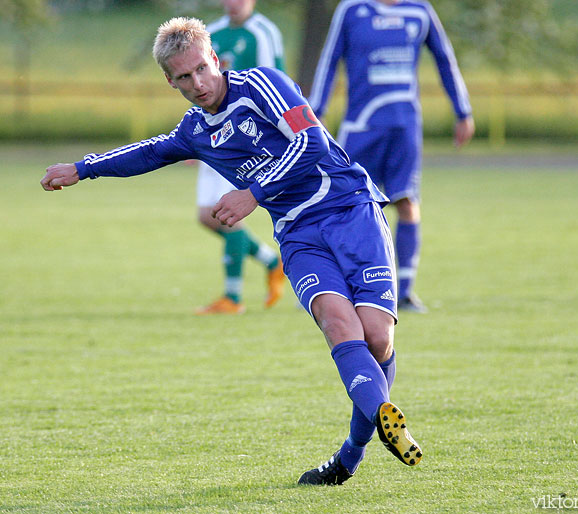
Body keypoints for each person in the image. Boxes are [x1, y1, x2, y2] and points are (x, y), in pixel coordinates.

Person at [41, 17, 421, 486]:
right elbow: (150, 151)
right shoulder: (194, 130)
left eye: (201, 68)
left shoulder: (263, 84)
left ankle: (350, 453)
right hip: (299, 234)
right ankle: (381, 417)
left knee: (378, 337)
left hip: (352, 211)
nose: (197, 83)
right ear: (169, 80)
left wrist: (253, 193)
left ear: (215, 59)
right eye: (183, 76)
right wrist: (83, 168)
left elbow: (311, 140)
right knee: (337, 323)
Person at [309, 0, 475, 313]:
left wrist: (463, 111)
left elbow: (445, 59)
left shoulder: (419, 11)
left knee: (407, 200)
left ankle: (406, 291)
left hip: (404, 125)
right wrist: (315, 112)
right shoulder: (352, 10)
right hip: (361, 126)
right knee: (344, 205)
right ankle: (333, 284)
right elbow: (329, 60)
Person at [194, 0, 286, 314]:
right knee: (206, 216)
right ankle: (273, 261)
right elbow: (198, 83)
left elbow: (271, 83)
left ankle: (232, 298)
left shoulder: (263, 33)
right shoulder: (212, 33)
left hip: (242, 137)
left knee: (224, 212)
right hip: (211, 132)